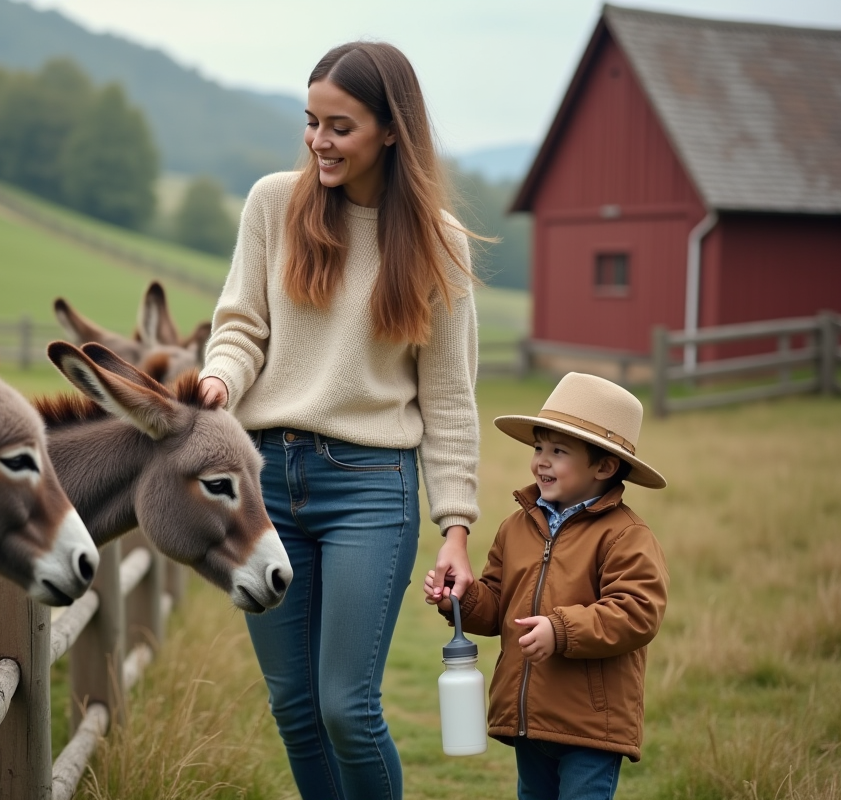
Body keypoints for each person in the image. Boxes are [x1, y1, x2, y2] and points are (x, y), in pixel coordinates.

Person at [197, 41, 482, 800]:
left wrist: (455, 527)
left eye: (340, 126)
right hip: (264, 483)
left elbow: (449, 399)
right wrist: (218, 383)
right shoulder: (271, 206)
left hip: (369, 487)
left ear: (391, 130)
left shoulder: (438, 245)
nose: (318, 141)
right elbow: (241, 327)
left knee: (346, 709)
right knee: (294, 708)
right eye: (310, 121)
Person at [424, 372, 669, 800]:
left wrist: (561, 630)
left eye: (559, 451)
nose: (541, 460)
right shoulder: (517, 526)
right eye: (539, 447)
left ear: (605, 466)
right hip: (530, 719)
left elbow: (637, 612)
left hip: (592, 726)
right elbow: (499, 608)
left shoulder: (625, 534)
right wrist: (461, 599)